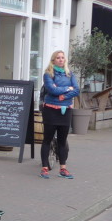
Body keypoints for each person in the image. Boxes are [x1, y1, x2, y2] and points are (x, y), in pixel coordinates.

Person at [38, 50, 80, 179]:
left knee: (62, 141)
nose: (61, 60)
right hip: (51, 110)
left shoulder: (70, 74)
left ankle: (63, 169)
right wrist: (68, 89)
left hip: (65, 110)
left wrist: (62, 95)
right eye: (58, 58)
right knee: (47, 139)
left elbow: (77, 90)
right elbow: (52, 89)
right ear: (53, 60)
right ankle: (44, 168)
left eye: (62, 58)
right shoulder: (48, 74)